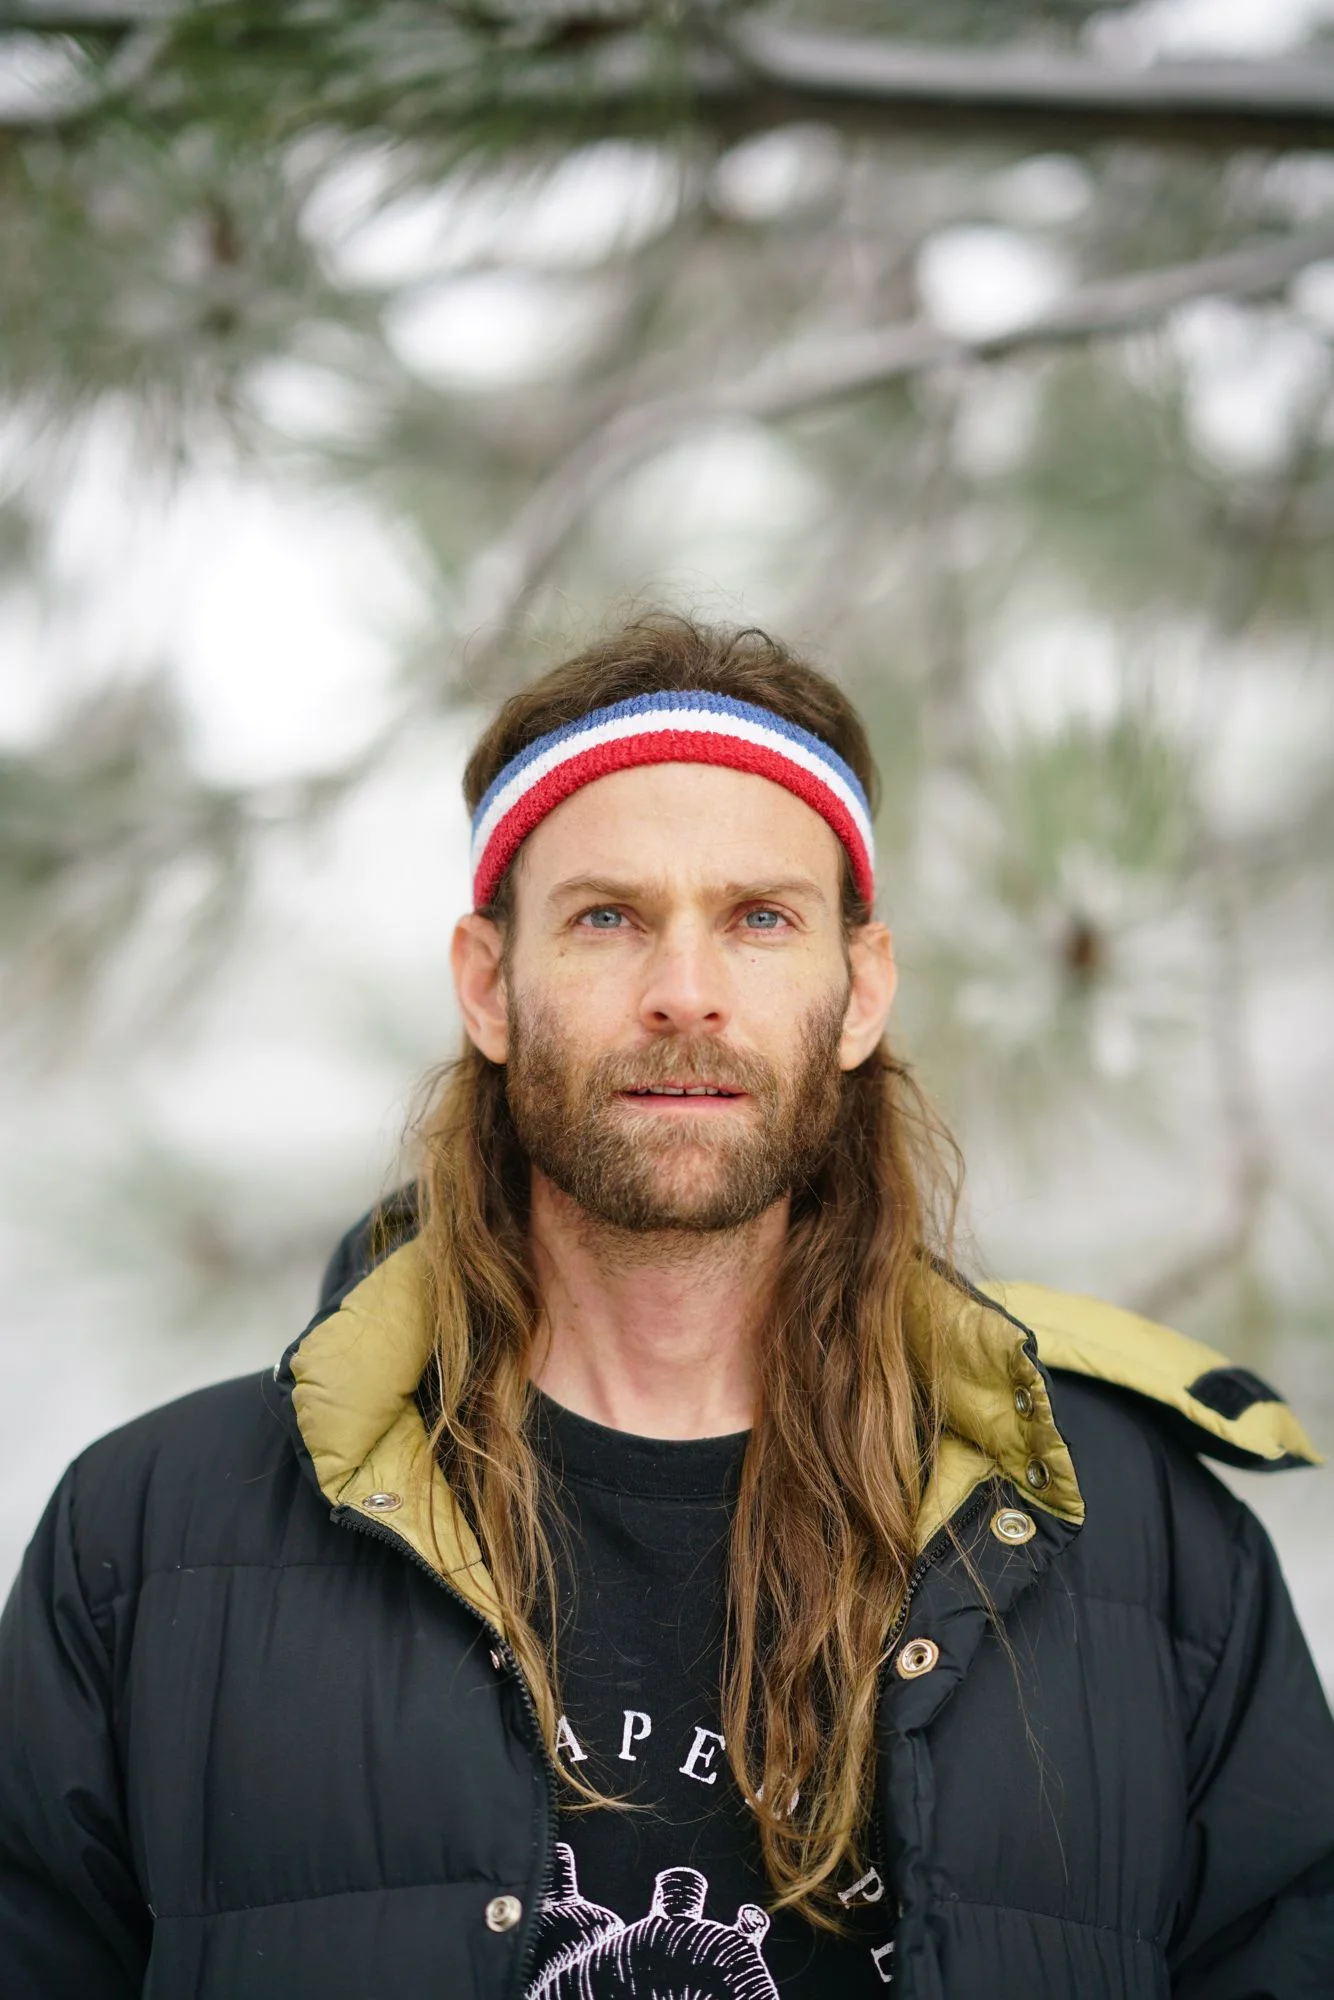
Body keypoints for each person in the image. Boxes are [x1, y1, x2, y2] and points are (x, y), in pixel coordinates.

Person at [2, 614, 1332, 2000]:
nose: (683, 995)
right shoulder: (151, 1543)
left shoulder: (1141, 1552)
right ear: (489, 985)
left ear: (858, 988)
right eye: (606, 919)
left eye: (759, 919)